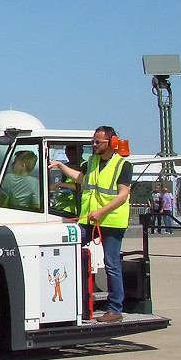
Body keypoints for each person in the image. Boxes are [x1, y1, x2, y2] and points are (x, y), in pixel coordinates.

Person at [49, 126, 133, 323]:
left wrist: (101, 211)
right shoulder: (92, 162)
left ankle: (115, 309)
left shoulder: (122, 165)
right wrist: (61, 166)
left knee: (111, 263)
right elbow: (81, 179)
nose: (93, 145)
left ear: (111, 143)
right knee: (69, 248)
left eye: (97, 142)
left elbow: (123, 194)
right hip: (89, 220)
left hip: (111, 221)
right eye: (93, 141)